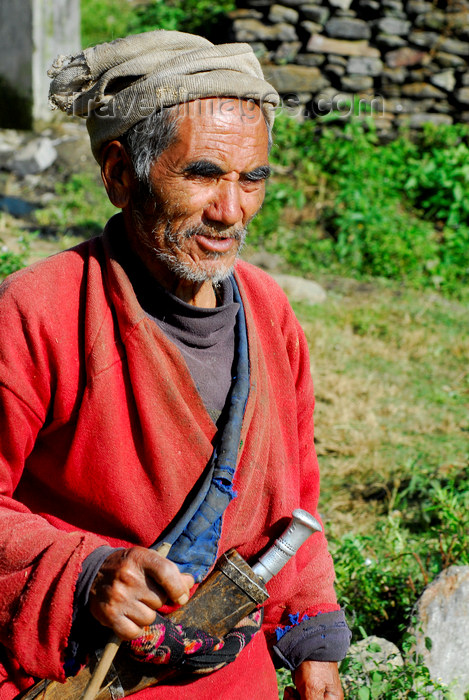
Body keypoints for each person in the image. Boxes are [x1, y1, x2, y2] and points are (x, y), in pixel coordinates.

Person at [0, 30, 351, 699]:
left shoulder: (271, 314)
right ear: (119, 173)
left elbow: (294, 503)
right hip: (84, 678)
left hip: (232, 680)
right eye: (201, 174)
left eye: (251, 179)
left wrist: (309, 638)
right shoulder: (36, 313)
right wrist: (82, 574)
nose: (231, 210)